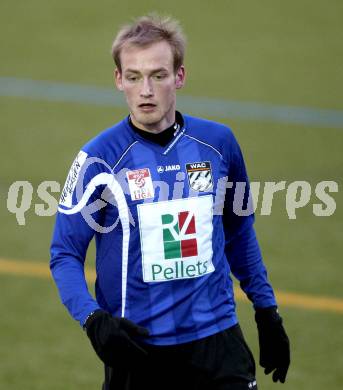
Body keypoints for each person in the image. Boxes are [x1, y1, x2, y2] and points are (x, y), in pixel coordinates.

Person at [50, 14, 290, 390]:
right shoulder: (98, 159)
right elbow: (64, 252)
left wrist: (266, 311)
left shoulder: (219, 144)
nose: (145, 89)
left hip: (218, 344)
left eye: (158, 75)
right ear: (119, 81)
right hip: (139, 352)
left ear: (179, 76)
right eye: (133, 77)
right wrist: (93, 318)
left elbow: (239, 231)